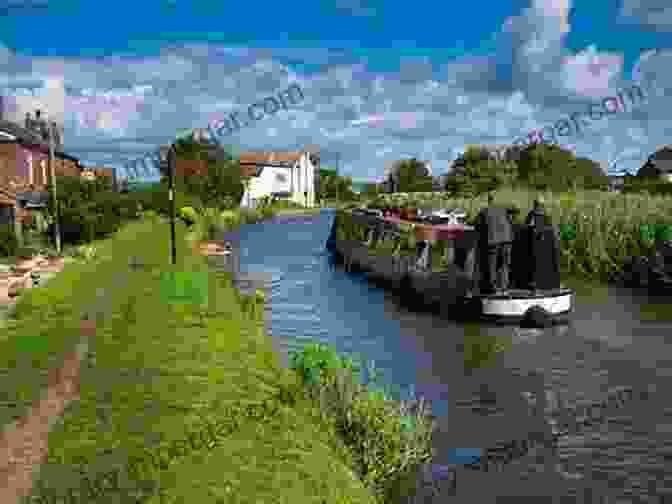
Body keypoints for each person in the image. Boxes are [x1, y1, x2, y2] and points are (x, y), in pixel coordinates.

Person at [476, 192, 514, 293]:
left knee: (492, 265)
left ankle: (494, 288)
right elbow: (511, 219)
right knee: (505, 264)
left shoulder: (484, 211)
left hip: (493, 240)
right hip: (507, 240)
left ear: (489, 200)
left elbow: (477, 224)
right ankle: (504, 287)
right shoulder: (505, 209)